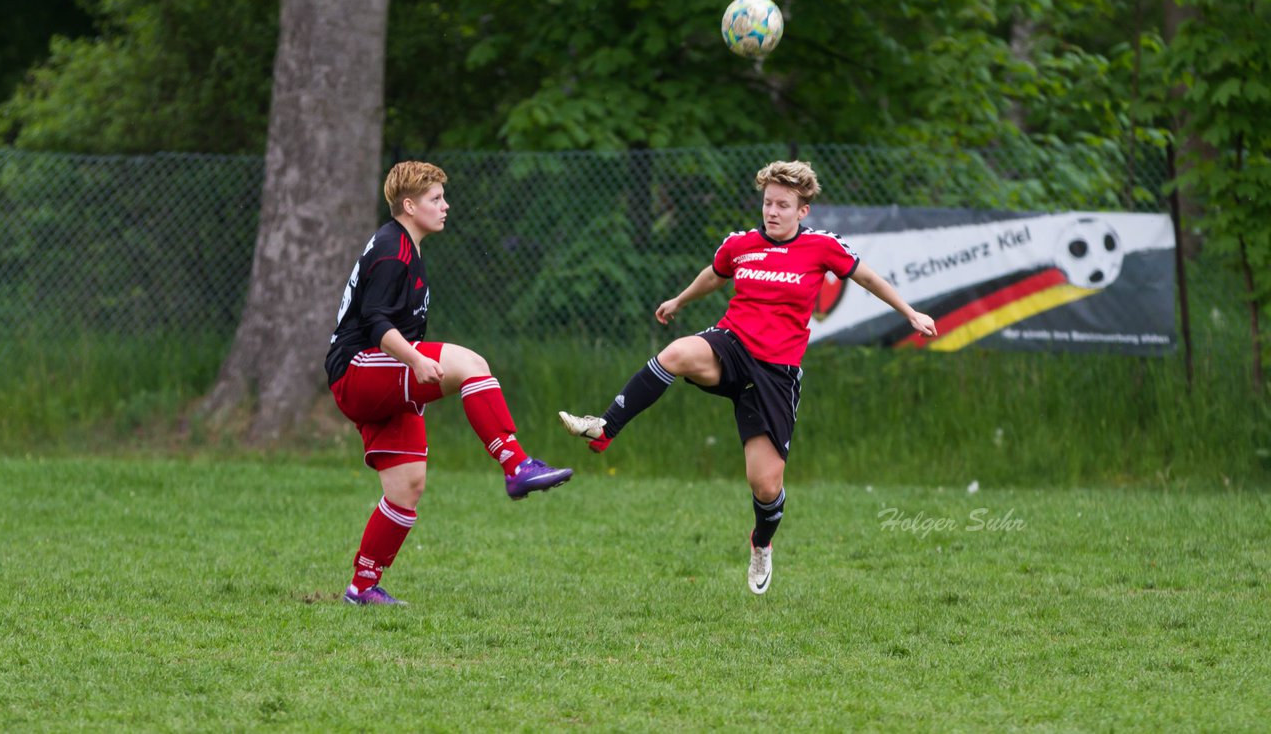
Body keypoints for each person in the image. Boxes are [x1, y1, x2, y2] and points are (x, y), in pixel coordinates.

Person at [559, 160, 936, 595]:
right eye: (767, 203)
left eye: (783, 205)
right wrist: (679, 301)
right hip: (731, 346)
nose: (772, 212)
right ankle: (605, 426)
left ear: (802, 211)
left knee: (765, 485)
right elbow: (714, 275)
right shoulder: (741, 244)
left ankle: (761, 542)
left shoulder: (821, 247)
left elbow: (866, 277)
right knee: (677, 352)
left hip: (775, 373)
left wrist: (909, 312)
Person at [327, 160, 573, 606]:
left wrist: (412, 358)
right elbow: (376, 322)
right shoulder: (391, 248)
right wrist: (415, 359)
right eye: (435, 199)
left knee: (407, 487)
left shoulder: (408, 247)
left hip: (378, 369)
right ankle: (516, 466)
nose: (445, 206)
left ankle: (361, 588)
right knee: (470, 363)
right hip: (358, 368)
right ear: (408, 205)